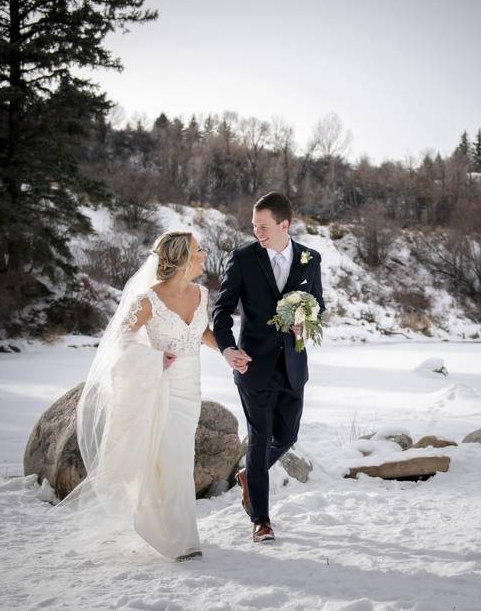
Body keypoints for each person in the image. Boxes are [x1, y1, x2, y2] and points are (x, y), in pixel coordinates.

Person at [58, 230, 219, 561]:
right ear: (183, 259)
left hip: (192, 389)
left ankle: (171, 528)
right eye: (198, 250)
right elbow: (119, 344)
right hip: (161, 387)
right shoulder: (147, 300)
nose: (204, 254)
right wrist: (154, 359)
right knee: (172, 460)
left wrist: (229, 352)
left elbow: (200, 332)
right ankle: (182, 540)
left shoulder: (201, 294)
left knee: (180, 459)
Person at [212, 191, 325, 543]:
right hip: (253, 366)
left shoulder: (311, 259)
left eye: (263, 226)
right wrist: (228, 349)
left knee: (287, 435)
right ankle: (261, 521)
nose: (257, 231)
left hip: (293, 364)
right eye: (254, 226)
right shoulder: (243, 259)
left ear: (284, 225)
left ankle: (250, 473)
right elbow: (220, 310)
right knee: (259, 441)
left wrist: (305, 320)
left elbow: (318, 304)